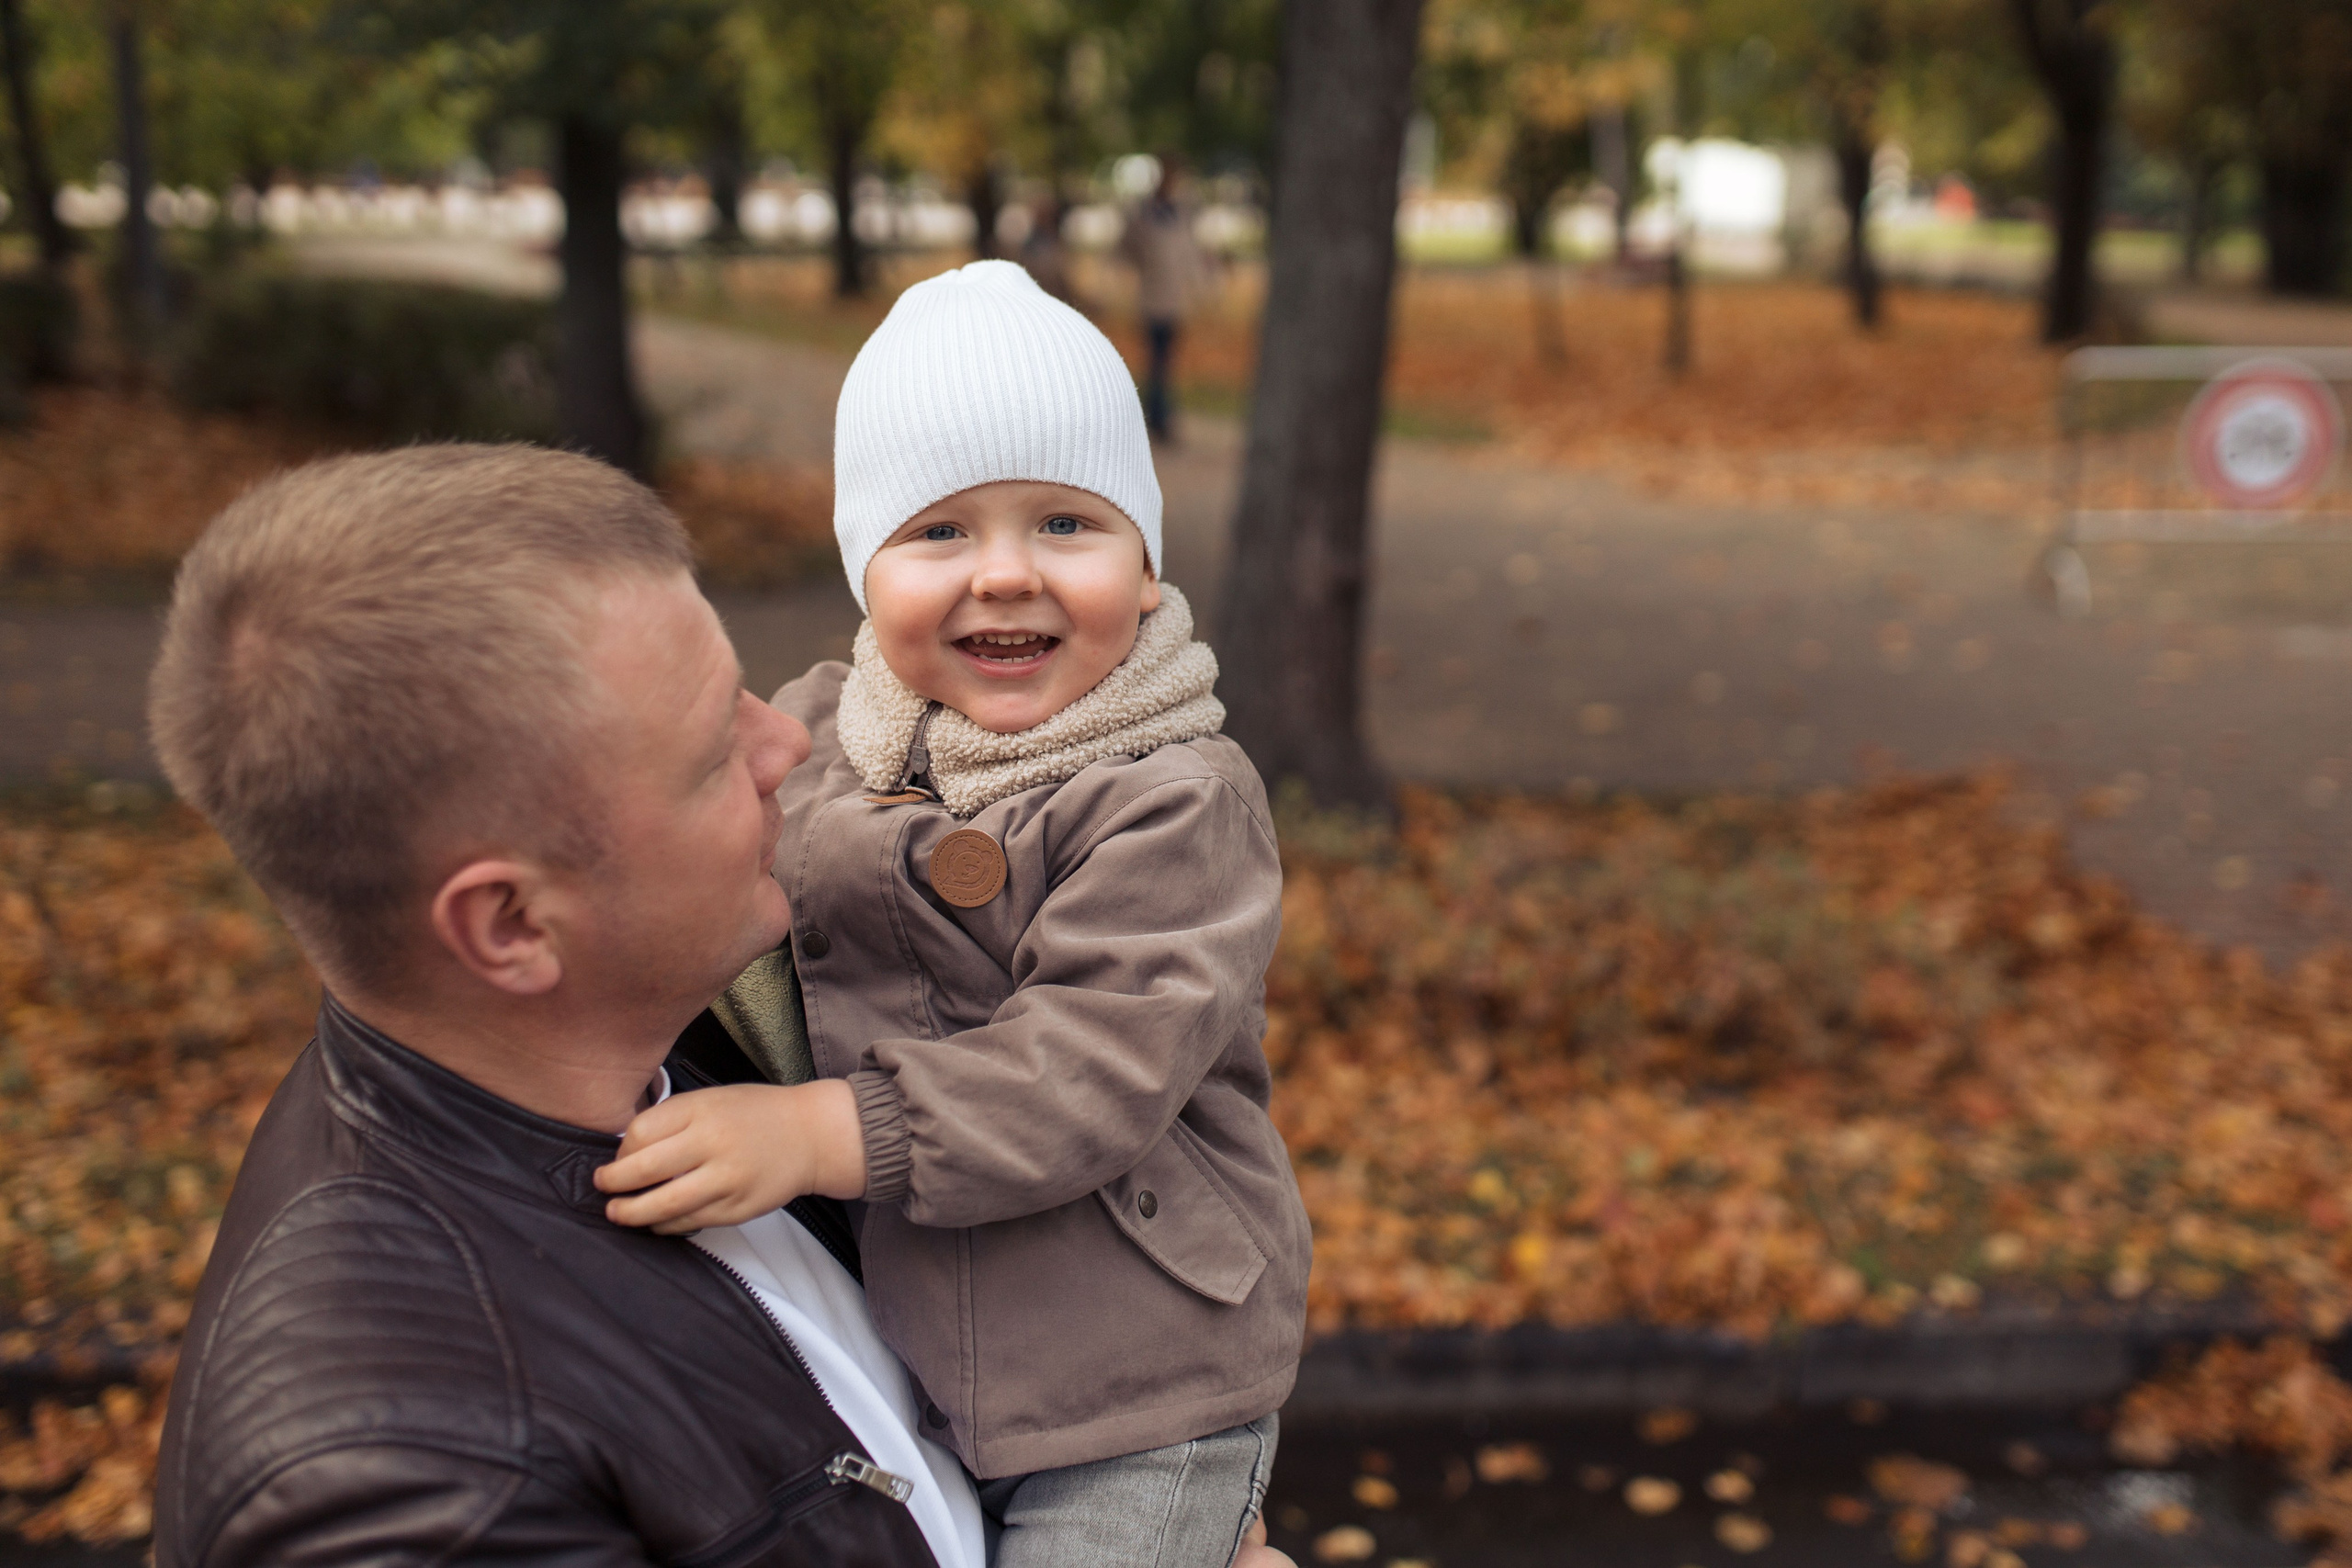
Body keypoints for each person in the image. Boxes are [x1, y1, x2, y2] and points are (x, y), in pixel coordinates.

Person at [142, 446, 983, 1568]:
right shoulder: (422, 1493)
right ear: (511, 928)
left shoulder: (706, 1029)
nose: (783, 743)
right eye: (705, 758)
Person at [594, 260, 1311, 1568]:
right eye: (939, 532)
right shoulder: (828, 734)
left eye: (1065, 524)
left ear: (1146, 568)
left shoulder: (1174, 796)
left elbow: (1093, 1060)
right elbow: (691, 846)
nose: (1003, 575)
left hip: (1141, 1386)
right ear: (863, 569)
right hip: (929, 1357)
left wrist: (826, 1126)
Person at [1115, 158, 1209, 441]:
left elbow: (1189, 257)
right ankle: (1157, 418)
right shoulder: (1144, 215)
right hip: (1152, 299)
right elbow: (1127, 249)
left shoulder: (1180, 215)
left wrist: (1201, 287)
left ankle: (1159, 415)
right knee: (1156, 361)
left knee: (1164, 362)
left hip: (1174, 300)